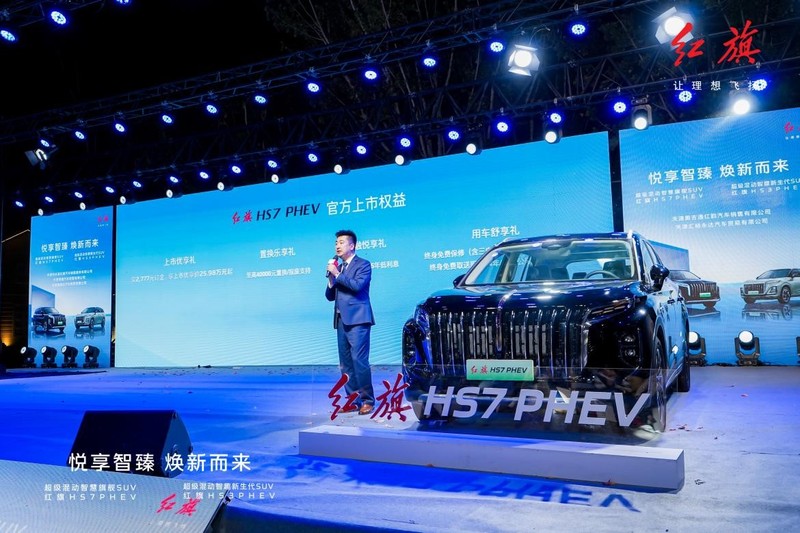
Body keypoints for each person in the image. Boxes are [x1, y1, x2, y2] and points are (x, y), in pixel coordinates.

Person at [325, 229, 376, 415]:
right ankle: (353, 401)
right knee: (345, 364)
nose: (337, 246)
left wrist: (338, 274)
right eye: (336, 243)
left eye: (341, 242)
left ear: (352, 245)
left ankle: (368, 400)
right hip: (341, 320)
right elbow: (330, 296)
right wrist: (331, 280)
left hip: (358, 320)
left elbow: (357, 286)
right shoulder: (339, 267)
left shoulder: (363, 264)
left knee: (359, 361)